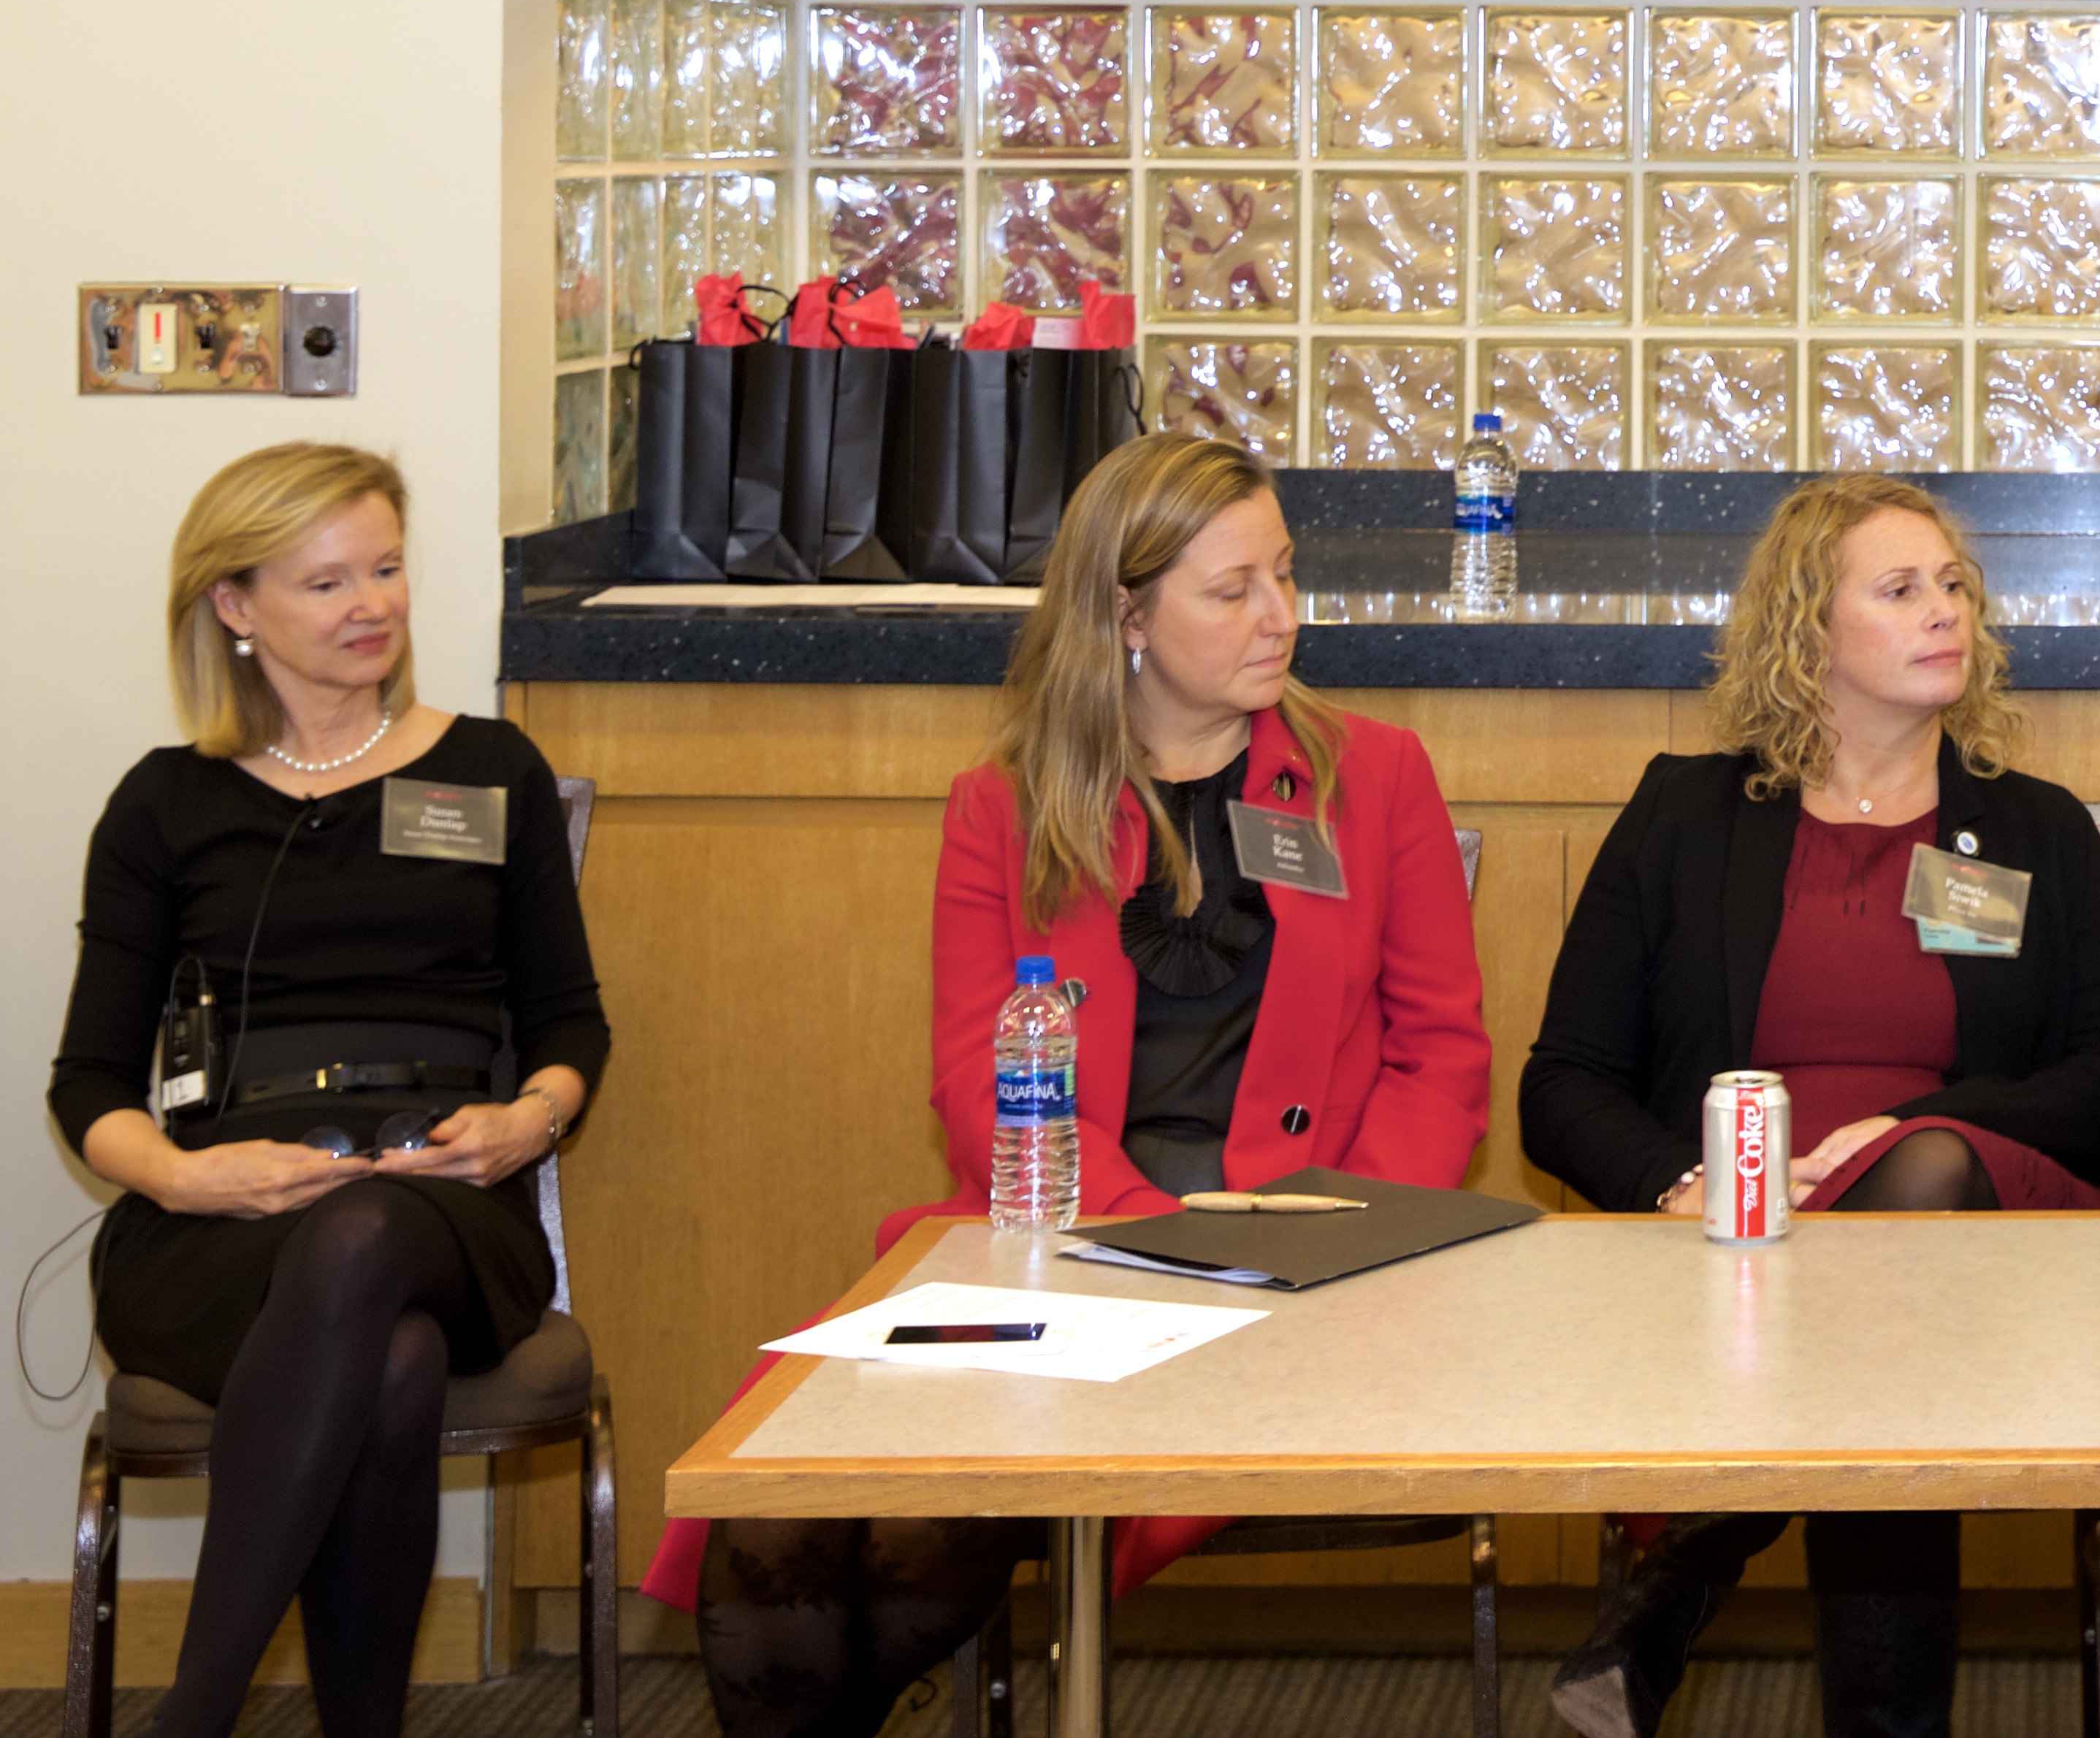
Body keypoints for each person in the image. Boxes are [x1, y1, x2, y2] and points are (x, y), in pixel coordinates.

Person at [661, 434, 1493, 1738]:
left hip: (1307, 1273)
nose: (1282, 613)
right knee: (784, 1517)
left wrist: (1335, 1232)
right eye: (1234, 589)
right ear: (1127, 615)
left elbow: (1440, 1051)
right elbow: (970, 1072)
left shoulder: (1373, 776)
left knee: (900, 1544)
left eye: (1285, 572)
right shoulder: (1006, 803)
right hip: (1059, 1248)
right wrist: (1133, 1229)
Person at [1522, 472, 2100, 1738]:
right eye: (1902, 588)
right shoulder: (1686, 817)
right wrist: (1679, 1181)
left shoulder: (2030, 831)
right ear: (1811, 628)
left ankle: (1681, 1577)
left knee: (1916, 1202)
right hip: (1737, 1244)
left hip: (1985, 1233)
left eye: (1955, 585)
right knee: (1862, 1316)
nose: (1946, 612)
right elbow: (1562, 1082)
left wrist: (1923, 1129)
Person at [52, 442, 608, 1738]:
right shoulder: (165, 803)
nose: (372, 604)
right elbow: (89, 1081)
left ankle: (195, 1713)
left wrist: (529, 1119)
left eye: (388, 567)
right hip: (218, 1221)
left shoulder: (486, 768)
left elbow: (568, 1021)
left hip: (440, 1199)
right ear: (235, 608)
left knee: (366, 1245)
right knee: (392, 1359)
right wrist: (190, 1173)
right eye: (327, 581)